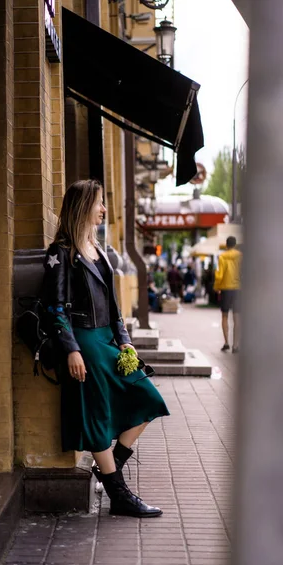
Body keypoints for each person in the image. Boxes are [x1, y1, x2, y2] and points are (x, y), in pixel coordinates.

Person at [43, 180, 170, 518]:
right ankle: (119, 495)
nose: (103, 210)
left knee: (148, 399)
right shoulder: (61, 252)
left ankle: (107, 469)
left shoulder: (98, 251)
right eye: (99, 203)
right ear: (84, 206)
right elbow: (55, 308)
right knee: (98, 414)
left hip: (107, 341)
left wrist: (125, 341)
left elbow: (113, 308)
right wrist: (70, 349)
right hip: (84, 342)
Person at [214, 236, 242, 353]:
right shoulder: (241, 256)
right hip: (238, 289)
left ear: (226, 245)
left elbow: (219, 275)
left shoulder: (222, 257)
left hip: (225, 288)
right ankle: (235, 345)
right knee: (237, 317)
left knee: (224, 316)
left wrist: (217, 287)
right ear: (235, 245)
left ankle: (226, 343)